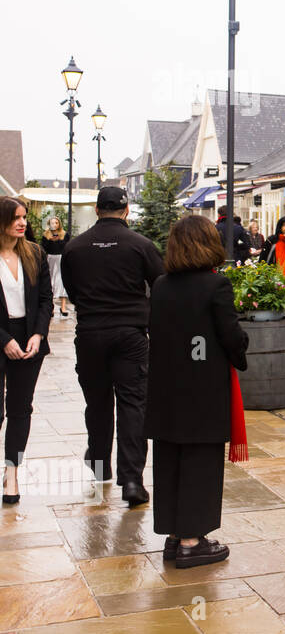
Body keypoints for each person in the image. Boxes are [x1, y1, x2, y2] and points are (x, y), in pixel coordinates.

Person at [144, 215, 248, 569]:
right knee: (200, 461)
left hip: (165, 389)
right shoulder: (215, 286)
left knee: (171, 459)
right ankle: (192, 542)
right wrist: (241, 349)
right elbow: (230, 335)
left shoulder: (160, 285)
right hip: (202, 388)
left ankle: (174, 537)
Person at [60, 186, 164, 506]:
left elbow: (72, 291)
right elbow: (160, 283)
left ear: (96, 209)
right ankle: (132, 479)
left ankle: (100, 465)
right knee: (133, 404)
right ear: (126, 210)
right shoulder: (141, 245)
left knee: (98, 402)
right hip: (130, 333)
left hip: (90, 332)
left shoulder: (75, 248)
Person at [0, 198, 53, 504]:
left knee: (21, 409)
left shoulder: (34, 252)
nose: (22, 223)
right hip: (2, 336)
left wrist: (38, 333)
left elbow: (45, 298)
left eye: (23, 217)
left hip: (29, 337)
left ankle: (11, 475)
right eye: (15, 218)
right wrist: (4, 339)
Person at [40, 215, 69, 318]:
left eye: (56, 222)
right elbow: (43, 248)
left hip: (61, 259)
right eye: (52, 223)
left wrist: (58, 240)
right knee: (50, 281)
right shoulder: (45, 235)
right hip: (50, 259)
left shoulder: (64, 234)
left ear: (59, 224)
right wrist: (50, 240)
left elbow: (66, 247)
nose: (54, 225)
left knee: (62, 280)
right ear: (49, 224)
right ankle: (51, 308)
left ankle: (63, 307)